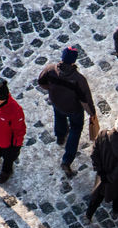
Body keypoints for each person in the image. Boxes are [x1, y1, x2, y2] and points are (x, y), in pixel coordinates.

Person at [37, 45, 96, 178]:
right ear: (74, 61)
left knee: (59, 117)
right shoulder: (78, 79)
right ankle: (67, 160)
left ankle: (60, 137)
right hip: (74, 109)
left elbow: (41, 81)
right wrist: (92, 113)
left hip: (56, 103)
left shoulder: (50, 70)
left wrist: (52, 90)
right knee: (75, 130)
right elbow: (85, 99)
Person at [86, 116, 118, 221]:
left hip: (102, 173)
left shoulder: (102, 134)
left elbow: (94, 153)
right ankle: (116, 209)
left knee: (98, 195)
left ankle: (89, 214)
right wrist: (109, 178)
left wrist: (100, 171)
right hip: (116, 178)